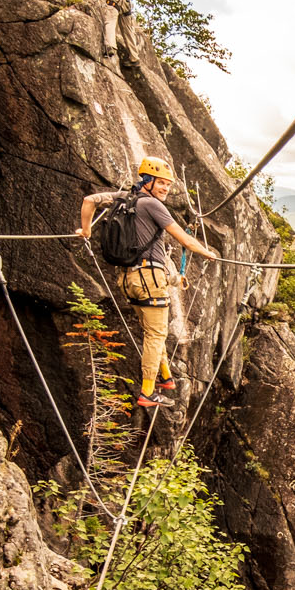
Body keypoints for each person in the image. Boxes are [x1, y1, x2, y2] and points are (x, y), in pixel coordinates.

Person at [80, 156, 217, 408]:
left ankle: (165, 377)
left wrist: (86, 230)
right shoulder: (153, 205)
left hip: (127, 279)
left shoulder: (122, 198)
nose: (165, 188)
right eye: (161, 183)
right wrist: (208, 253)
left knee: (153, 331)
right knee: (155, 335)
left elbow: (90, 201)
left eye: (168, 184)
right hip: (149, 278)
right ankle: (148, 392)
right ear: (147, 180)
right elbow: (183, 240)